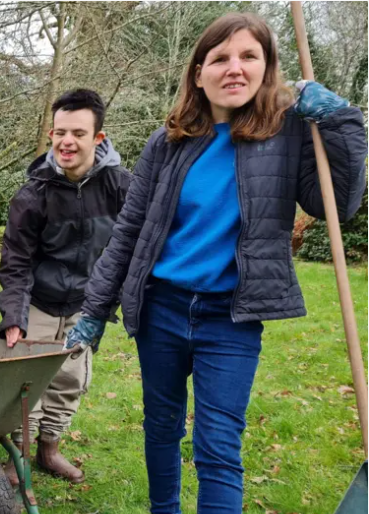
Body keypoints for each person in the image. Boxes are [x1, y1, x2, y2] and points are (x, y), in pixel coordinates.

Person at [66, 13, 366, 513]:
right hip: (161, 309)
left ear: (267, 67)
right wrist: (95, 309)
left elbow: (336, 204)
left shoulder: (289, 135)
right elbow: (130, 231)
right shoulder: (169, 142)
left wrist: (342, 124)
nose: (234, 68)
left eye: (249, 56)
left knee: (218, 446)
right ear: (198, 72)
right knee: (161, 427)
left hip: (231, 316)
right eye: (220, 58)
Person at [0, 89, 130, 484]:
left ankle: (49, 450)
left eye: (78, 133)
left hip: (88, 302)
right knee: (24, 380)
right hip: (38, 300)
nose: (66, 142)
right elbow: (16, 262)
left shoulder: (122, 188)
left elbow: (133, 249)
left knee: (70, 380)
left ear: (98, 139)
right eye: (59, 133)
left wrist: (108, 305)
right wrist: (14, 316)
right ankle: (17, 456)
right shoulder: (33, 194)